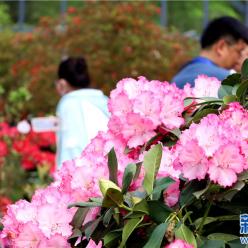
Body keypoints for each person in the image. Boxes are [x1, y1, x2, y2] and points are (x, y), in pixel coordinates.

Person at [55, 57, 110, 168]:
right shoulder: (104, 100)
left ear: (62, 83)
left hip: (82, 171)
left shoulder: (68, 103)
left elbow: (70, 146)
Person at [171, 16, 248, 88]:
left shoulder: (177, 78)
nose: (241, 59)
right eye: (239, 51)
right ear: (221, 47)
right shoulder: (229, 81)